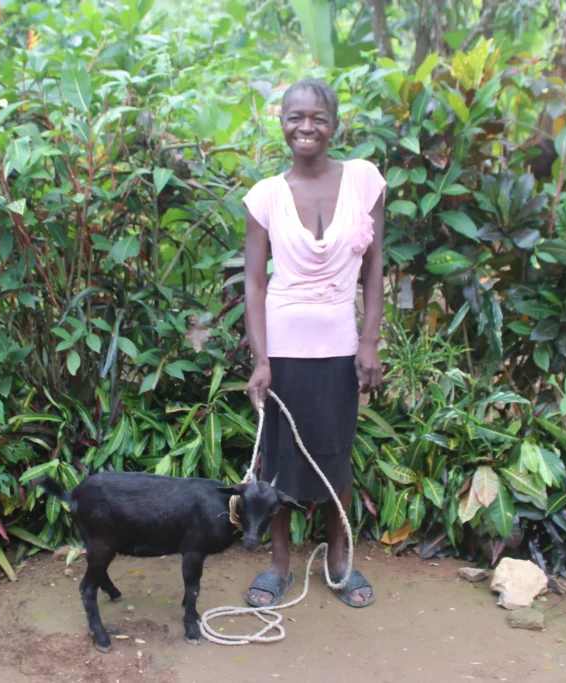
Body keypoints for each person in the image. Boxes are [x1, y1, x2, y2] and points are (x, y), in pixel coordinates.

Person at [242, 78, 386, 608]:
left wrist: (369, 341)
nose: (307, 127)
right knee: (278, 459)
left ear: (335, 125)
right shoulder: (265, 195)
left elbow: (375, 269)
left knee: (335, 453)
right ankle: (279, 564)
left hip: (340, 345)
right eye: (295, 117)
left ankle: (338, 558)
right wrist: (261, 359)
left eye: (318, 118)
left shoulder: (365, 181)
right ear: (282, 123)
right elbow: (254, 283)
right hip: (282, 348)